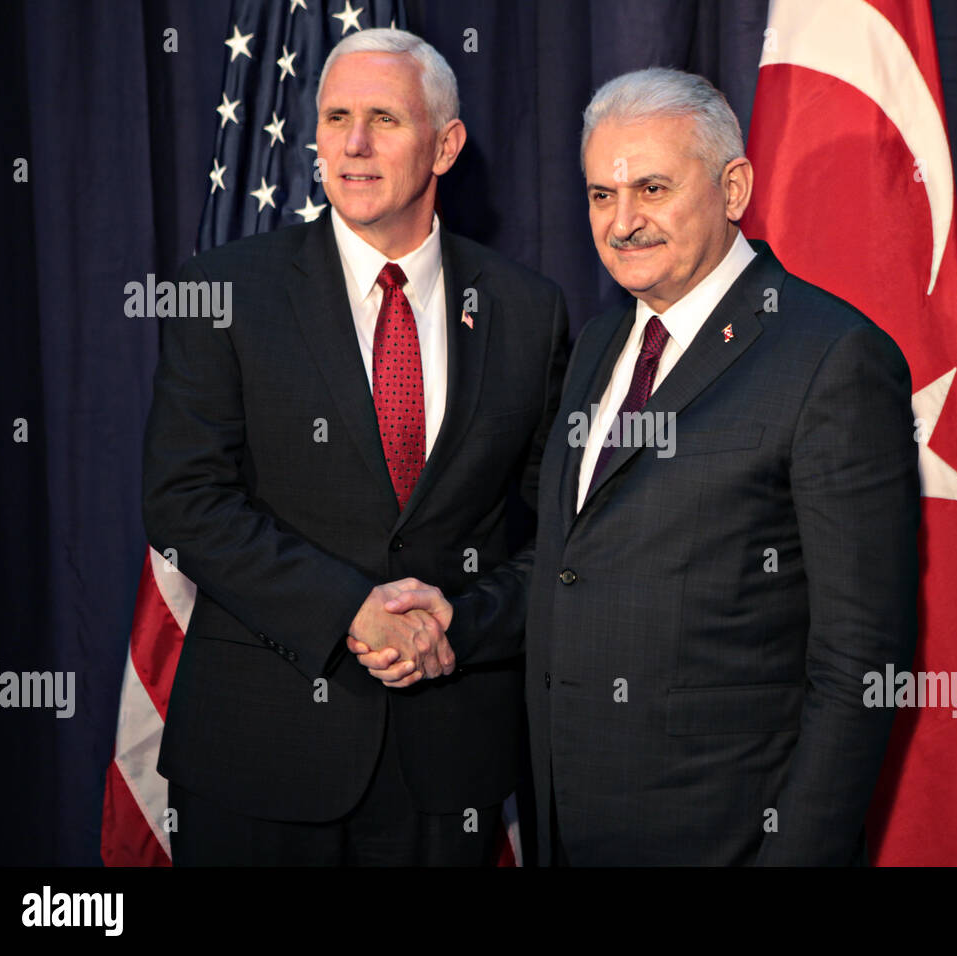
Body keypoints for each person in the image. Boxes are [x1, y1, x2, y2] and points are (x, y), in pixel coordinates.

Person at [371, 67, 920, 864]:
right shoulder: (599, 343)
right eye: (601, 195)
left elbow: (861, 657)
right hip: (570, 827)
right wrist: (465, 613)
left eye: (653, 188)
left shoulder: (832, 358)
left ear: (734, 189)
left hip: (729, 837)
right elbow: (576, 565)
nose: (622, 223)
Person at [143, 28, 568, 865]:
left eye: (384, 118)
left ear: (446, 145)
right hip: (260, 758)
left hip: (449, 766)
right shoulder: (219, 292)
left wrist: (464, 623)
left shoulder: (528, 309)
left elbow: (563, 533)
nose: (355, 144)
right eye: (336, 117)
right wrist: (352, 611)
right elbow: (184, 503)